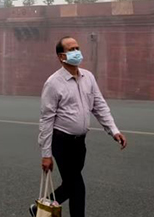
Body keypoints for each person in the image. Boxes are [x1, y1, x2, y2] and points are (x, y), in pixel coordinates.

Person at [30, 36, 127, 217]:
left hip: (79, 143)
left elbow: (99, 105)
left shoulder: (88, 77)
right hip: (62, 141)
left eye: (77, 48)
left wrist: (114, 130)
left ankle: (40, 208)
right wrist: (46, 154)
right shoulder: (53, 83)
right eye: (71, 49)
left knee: (71, 184)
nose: (77, 52)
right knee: (77, 186)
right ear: (61, 57)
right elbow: (46, 119)